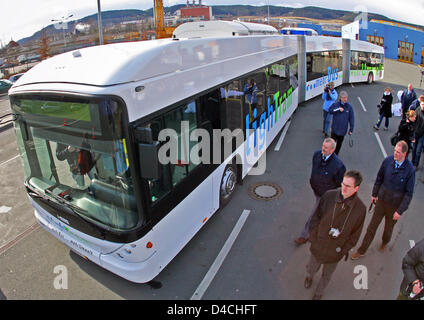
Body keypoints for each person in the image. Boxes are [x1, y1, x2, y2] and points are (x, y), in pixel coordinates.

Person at [304, 170, 366, 300]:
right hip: (319, 244)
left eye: (348, 186)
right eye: (343, 183)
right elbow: (315, 217)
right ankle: (309, 277)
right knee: (312, 267)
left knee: (327, 275)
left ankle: (319, 293)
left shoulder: (360, 209)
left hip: (335, 251)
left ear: (356, 188)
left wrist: (342, 251)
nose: (343, 188)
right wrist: (313, 237)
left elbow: (355, 235)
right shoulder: (329, 195)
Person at [351, 141, 415, 260]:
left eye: (398, 152)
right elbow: (379, 177)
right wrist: (374, 194)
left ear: (405, 154)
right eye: (395, 151)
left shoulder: (410, 170)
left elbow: (408, 194)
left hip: (394, 207)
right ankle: (362, 250)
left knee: (388, 229)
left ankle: (385, 242)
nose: (395, 154)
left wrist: (399, 211)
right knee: (371, 228)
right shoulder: (388, 161)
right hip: (382, 202)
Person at [295, 138, 346, 245]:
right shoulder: (317, 155)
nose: (323, 149)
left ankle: (304, 235)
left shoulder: (338, 165)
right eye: (323, 146)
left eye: (326, 148)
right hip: (316, 189)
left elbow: (339, 182)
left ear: (332, 150)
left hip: (325, 194)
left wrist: (327, 187)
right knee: (321, 212)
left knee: (313, 214)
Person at [328, 91, 354, 155]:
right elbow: (330, 110)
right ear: (340, 98)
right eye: (344, 97)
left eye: (346, 97)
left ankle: (335, 156)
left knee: (339, 145)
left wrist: (351, 129)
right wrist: (338, 109)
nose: (345, 99)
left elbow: (351, 118)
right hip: (334, 129)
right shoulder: (335, 105)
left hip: (342, 131)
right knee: (332, 145)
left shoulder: (349, 107)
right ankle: (330, 155)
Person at [411, 98, 424, 171]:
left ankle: (416, 164)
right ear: (420, 104)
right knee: (414, 149)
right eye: (422, 104)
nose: (423, 106)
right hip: (415, 133)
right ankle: (412, 162)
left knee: (418, 151)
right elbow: (413, 122)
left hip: (422, 135)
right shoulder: (417, 111)